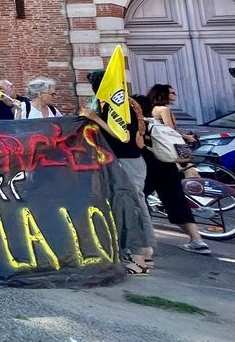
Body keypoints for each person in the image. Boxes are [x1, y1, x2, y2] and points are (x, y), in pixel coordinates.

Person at [80, 72, 154, 274]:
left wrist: (94, 118)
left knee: (129, 206)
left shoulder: (117, 105)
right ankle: (146, 254)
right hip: (132, 159)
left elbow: (123, 135)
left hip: (125, 160)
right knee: (137, 203)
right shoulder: (126, 103)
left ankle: (138, 258)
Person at [137, 94, 211, 255]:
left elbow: (140, 145)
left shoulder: (141, 125)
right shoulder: (159, 124)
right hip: (170, 168)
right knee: (177, 202)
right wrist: (188, 165)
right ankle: (197, 240)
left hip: (150, 167)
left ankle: (144, 240)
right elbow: (179, 145)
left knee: (136, 200)